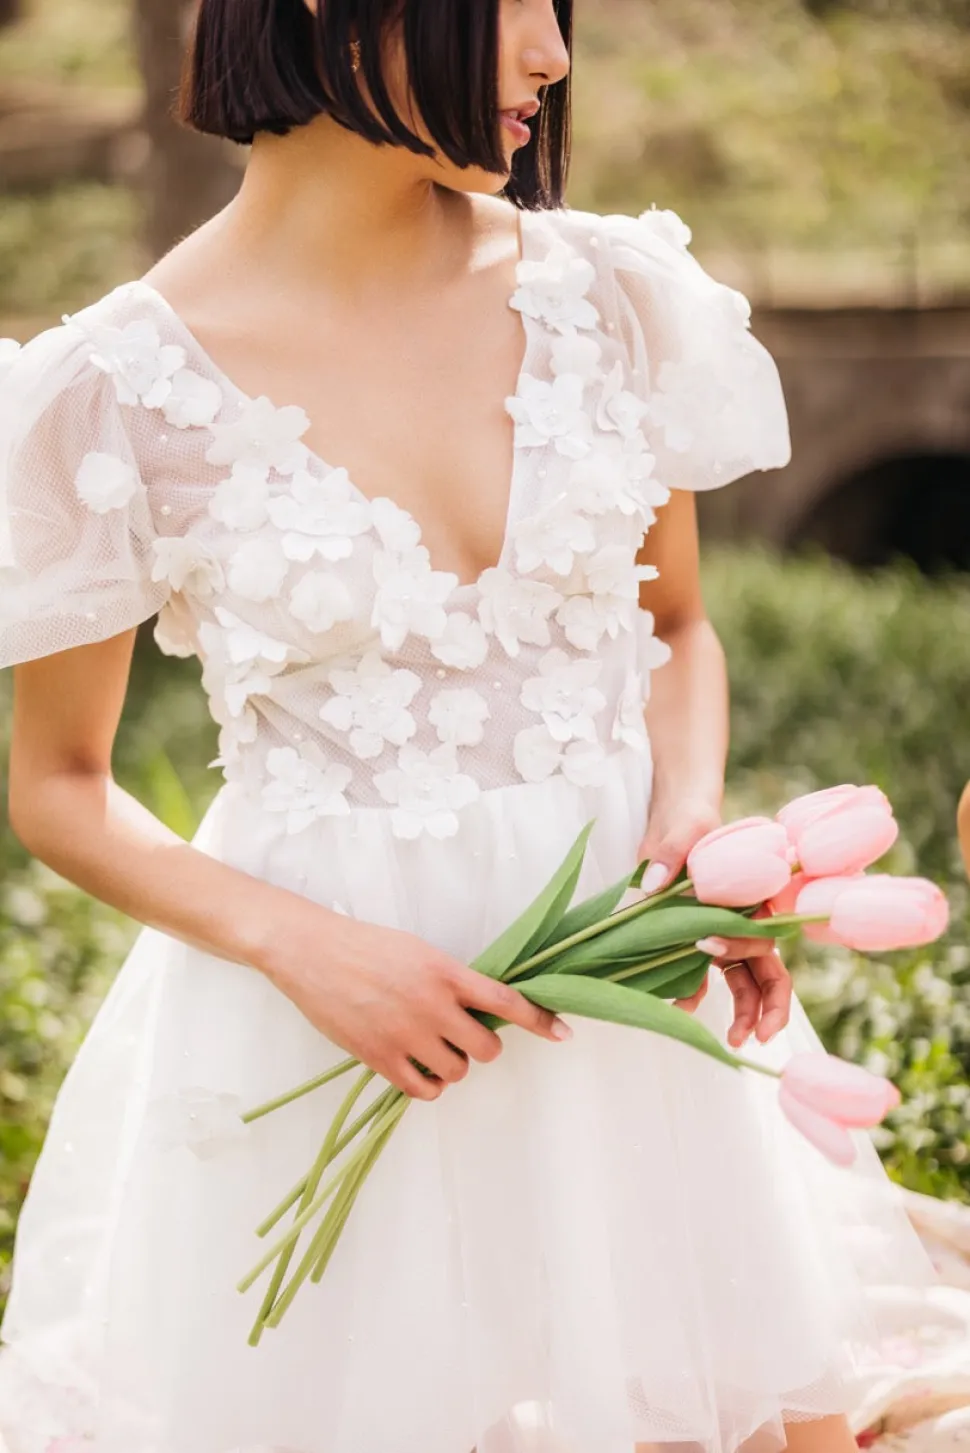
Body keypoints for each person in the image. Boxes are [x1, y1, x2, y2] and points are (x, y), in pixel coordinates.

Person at [0, 2, 932, 1451]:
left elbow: (673, 623)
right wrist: (305, 948)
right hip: (323, 1029)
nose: (554, 58)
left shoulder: (613, 294)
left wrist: (688, 825)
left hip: (623, 1008)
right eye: (510, 7)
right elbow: (59, 787)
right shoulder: (109, 393)